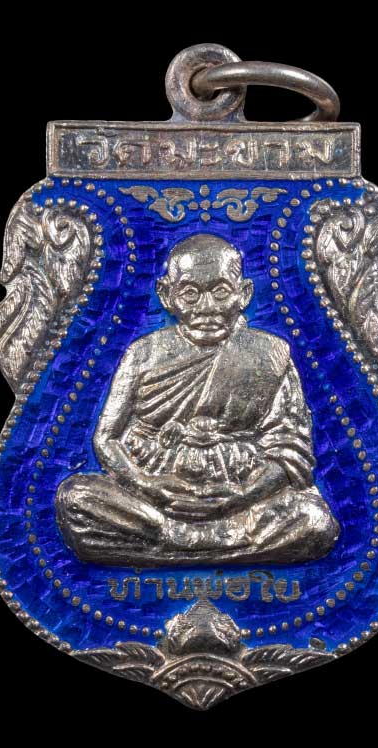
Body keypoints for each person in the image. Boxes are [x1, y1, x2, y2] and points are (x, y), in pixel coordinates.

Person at [55, 233, 339, 565]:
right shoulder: (144, 353)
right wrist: (146, 485)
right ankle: (216, 544)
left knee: (314, 520)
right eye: (190, 293)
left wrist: (240, 496)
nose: (207, 308)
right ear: (166, 296)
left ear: (244, 294)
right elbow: (106, 438)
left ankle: (173, 544)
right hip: (156, 499)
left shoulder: (269, 355)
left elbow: (291, 449)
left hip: (239, 497)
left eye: (221, 292)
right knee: (76, 497)